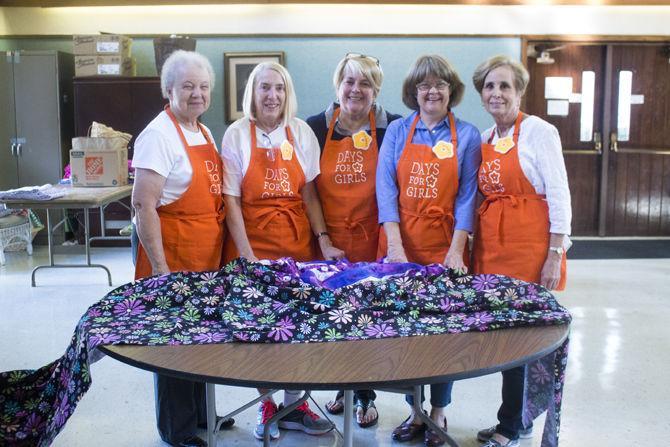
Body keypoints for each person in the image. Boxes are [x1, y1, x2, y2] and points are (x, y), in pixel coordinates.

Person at [221, 61, 343, 440]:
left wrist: (322, 239)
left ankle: (295, 405)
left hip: (296, 244)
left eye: (278, 88)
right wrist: (247, 256)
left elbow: (309, 193)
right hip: (253, 242)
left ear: (287, 94)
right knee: (258, 329)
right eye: (264, 88)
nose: (272, 96)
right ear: (252, 94)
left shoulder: (302, 132)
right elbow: (231, 201)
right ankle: (267, 403)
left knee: (297, 326)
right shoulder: (237, 134)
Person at [376, 54, 481, 447]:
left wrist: (457, 250)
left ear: (451, 91)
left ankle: (438, 412)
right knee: (408, 332)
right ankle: (415, 410)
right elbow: (385, 190)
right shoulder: (399, 132)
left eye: (440, 84)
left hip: (445, 245)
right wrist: (395, 247)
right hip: (404, 246)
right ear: (413, 92)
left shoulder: (467, 135)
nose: (432, 91)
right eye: (424, 85)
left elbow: (468, 195)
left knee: (443, 332)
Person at [131, 51, 233, 447]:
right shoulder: (159, 134)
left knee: (203, 340)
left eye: (203, 86)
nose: (197, 94)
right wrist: (161, 268)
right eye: (187, 86)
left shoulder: (203, 132)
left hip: (205, 259)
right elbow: (143, 205)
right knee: (174, 346)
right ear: (168, 89)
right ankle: (178, 431)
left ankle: (204, 414)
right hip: (172, 258)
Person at [471, 55, 571, 447]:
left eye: (505, 86)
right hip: (493, 249)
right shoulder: (484, 138)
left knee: (522, 338)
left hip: (529, 248)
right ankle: (515, 419)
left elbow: (560, 195)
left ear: (520, 91)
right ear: (481, 94)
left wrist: (555, 253)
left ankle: (511, 425)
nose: (497, 93)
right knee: (503, 337)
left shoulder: (539, 132)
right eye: (490, 86)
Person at [306, 52, 401, 428]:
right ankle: (340, 386)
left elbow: (396, 184)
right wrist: (323, 237)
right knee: (332, 318)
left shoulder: (390, 126)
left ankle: (364, 395)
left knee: (367, 320)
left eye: (365, 83)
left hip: (372, 239)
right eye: (350, 81)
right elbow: (308, 188)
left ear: (376, 91)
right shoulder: (315, 127)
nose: (356, 90)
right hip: (329, 242)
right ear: (338, 85)